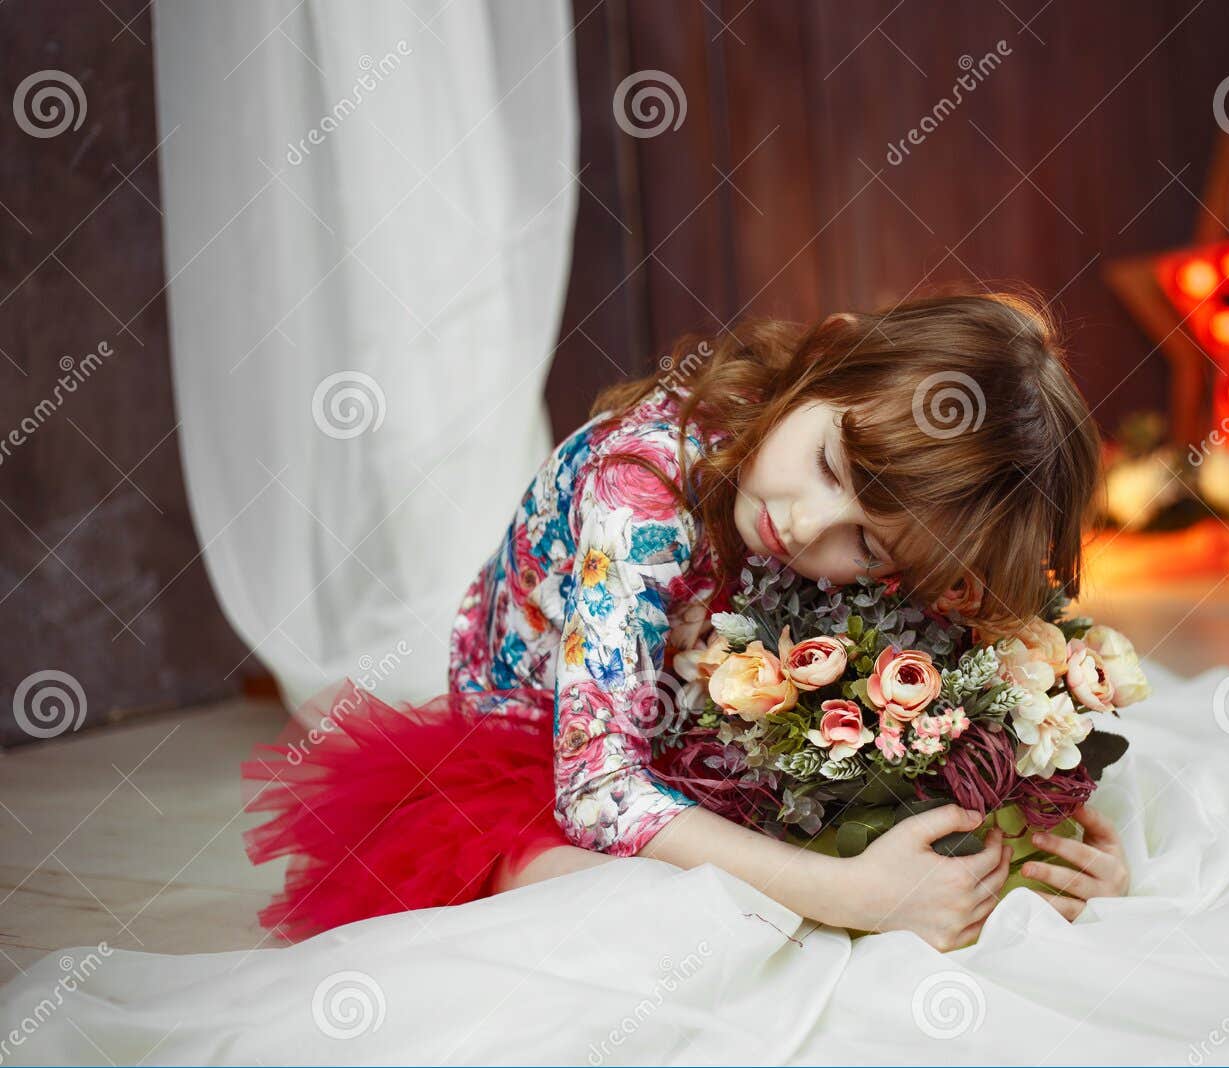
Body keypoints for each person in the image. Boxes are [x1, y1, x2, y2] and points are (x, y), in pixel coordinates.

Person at [241, 288, 1128, 951]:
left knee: (889, 786)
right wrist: (845, 893)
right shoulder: (644, 484)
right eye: (826, 462)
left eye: (867, 544)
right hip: (554, 747)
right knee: (635, 908)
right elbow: (595, 791)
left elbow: (955, 688)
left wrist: (1037, 839)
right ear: (830, 356)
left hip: (715, 735)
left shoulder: (885, 535)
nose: (809, 526)